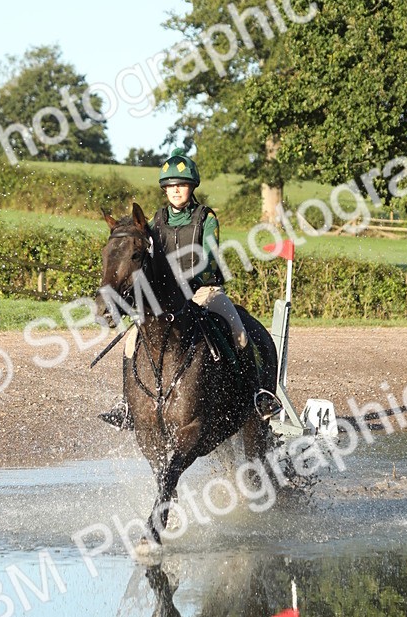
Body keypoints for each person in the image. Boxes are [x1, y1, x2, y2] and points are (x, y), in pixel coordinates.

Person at [100, 149, 280, 430]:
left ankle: (258, 395)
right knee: (131, 341)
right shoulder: (156, 221)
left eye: (181, 185)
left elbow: (209, 257)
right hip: (167, 299)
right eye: (171, 186)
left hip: (204, 292)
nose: (175, 191)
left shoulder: (206, 217)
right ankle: (127, 405)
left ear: (191, 187)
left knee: (240, 333)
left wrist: (187, 278)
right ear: (164, 190)